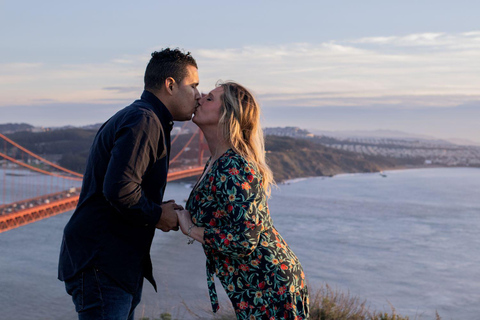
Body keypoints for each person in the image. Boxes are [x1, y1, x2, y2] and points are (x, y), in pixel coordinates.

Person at [58, 48, 200, 320]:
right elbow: (120, 189)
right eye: (193, 85)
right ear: (170, 85)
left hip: (113, 264)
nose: (198, 94)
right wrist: (159, 214)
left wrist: (157, 208)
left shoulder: (144, 117)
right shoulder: (144, 120)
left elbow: (123, 187)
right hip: (103, 265)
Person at [176, 82, 309, 319]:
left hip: (269, 285)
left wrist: (191, 229)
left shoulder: (235, 166)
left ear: (227, 116)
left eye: (209, 98)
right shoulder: (218, 160)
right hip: (254, 286)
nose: (200, 98)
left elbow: (243, 241)